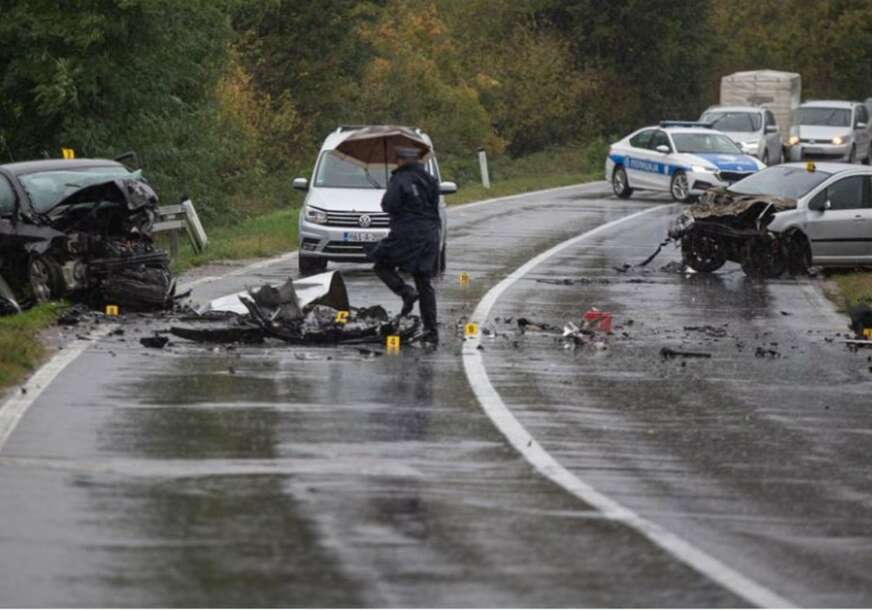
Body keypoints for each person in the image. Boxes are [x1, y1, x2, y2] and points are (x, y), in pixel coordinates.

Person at [368, 146, 441, 345]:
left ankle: (406, 292)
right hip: (430, 235)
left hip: (406, 235)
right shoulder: (430, 179)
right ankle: (431, 331)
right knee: (424, 281)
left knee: (380, 264)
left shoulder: (399, 179)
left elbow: (388, 205)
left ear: (401, 161)